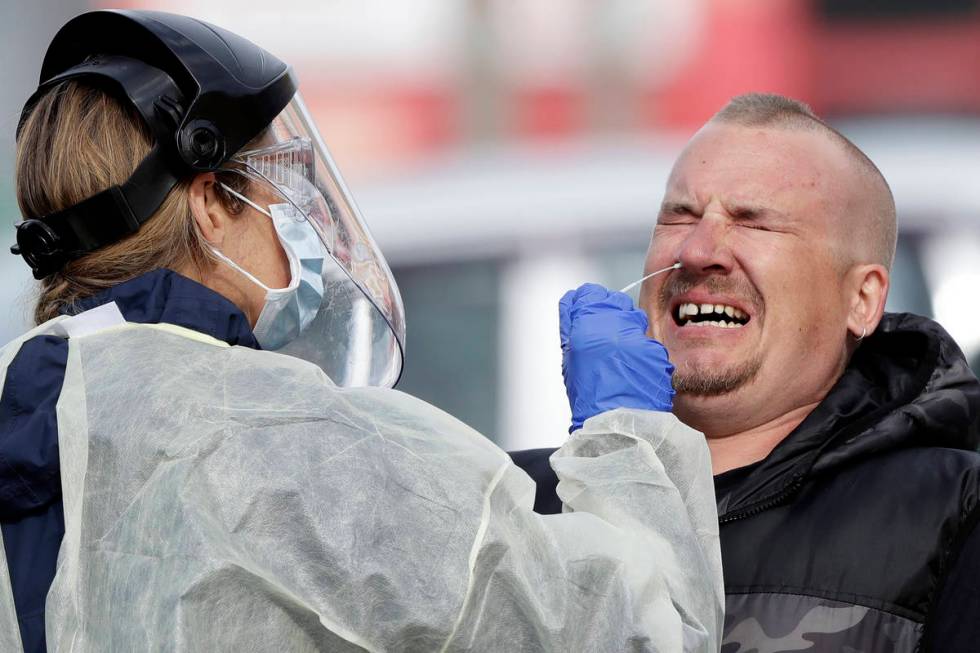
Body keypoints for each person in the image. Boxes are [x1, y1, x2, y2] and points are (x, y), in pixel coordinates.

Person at [0, 10, 725, 653]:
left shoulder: (25, 400)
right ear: (210, 205)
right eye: (272, 185)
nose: (296, 224)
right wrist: (628, 435)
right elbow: (642, 632)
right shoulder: (283, 441)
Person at [513, 93, 980, 650]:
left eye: (754, 223)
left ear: (861, 298)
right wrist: (613, 466)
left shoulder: (953, 513)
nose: (698, 250)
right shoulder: (516, 504)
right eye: (679, 216)